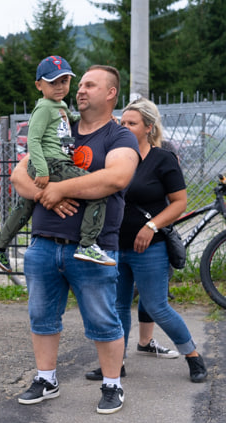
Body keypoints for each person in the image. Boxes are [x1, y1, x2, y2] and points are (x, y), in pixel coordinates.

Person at [9, 65, 140, 415]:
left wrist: (59, 189)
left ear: (111, 93)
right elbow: (19, 175)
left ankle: (112, 384)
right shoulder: (58, 125)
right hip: (44, 243)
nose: (79, 90)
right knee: (41, 317)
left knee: (103, 319)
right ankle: (46, 379)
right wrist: (44, 197)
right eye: (79, 84)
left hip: (91, 249)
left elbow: (117, 177)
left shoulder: (119, 136)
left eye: (90, 85)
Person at [98, 98, 206, 382]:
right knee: (117, 307)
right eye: (122, 123)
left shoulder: (162, 159)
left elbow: (179, 202)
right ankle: (115, 363)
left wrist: (151, 226)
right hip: (115, 245)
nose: (125, 127)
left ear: (148, 127)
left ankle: (193, 357)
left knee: (157, 306)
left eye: (131, 123)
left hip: (150, 248)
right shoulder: (114, 157)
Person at [0, 55, 114, 273]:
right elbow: (33, 140)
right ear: (39, 85)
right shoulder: (44, 107)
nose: (59, 86)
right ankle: (87, 245)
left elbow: (64, 130)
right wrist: (43, 170)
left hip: (53, 161)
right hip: (52, 164)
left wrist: (84, 122)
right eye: (52, 82)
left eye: (64, 81)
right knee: (98, 189)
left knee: (25, 205)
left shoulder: (59, 106)